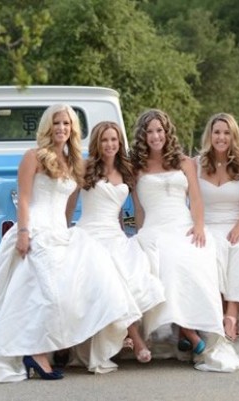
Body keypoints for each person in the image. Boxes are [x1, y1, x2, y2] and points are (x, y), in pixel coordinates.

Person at [0, 104, 140, 383]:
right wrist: (24, 232)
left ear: (73, 129)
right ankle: (36, 352)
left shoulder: (72, 161)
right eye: (57, 123)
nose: (62, 128)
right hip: (37, 230)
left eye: (66, 123)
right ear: (48, 127)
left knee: (77, 288)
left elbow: (69, 205)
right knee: (47, 294)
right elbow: (25, 199)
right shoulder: (34, 157)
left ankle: (61, 347)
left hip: (60, 232)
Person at [130, 108, 239, 372]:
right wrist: (139, 233)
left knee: (194, 259)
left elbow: (196, 199)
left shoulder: (184, 162)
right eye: (149, 132)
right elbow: (139, 209)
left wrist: (200, 226)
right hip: (155, 229)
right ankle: (189, 333)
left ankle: (190, 330)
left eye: (159, 130)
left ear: (167, 132)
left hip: (184, 226)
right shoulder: (137, 168)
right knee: (165, 262)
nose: (155, 136)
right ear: (143, 136)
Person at [69, 121, 166, 364]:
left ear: (119, 142)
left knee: (133, 271)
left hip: (114, 233)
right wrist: (61, 231)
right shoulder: (85, 166)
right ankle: (136, 340)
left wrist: (139, 232)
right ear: (97, 143)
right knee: (110, 275)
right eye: (104, 140)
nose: (109, 144)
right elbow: (69, 205)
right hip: (89, 234)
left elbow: (133, 209)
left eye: (113, 139)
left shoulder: (127, 170)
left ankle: (126, 334)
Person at [193, 113, 239, 342]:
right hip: (206, 224)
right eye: (217, 132)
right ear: (210, 135)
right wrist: (199, 226)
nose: (221, 137)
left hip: (236, 223)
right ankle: (216, 311)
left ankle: (231, 314)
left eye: (227, 133)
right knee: (209, 250)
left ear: (233, 136)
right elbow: (192, 201)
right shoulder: (197, 164)